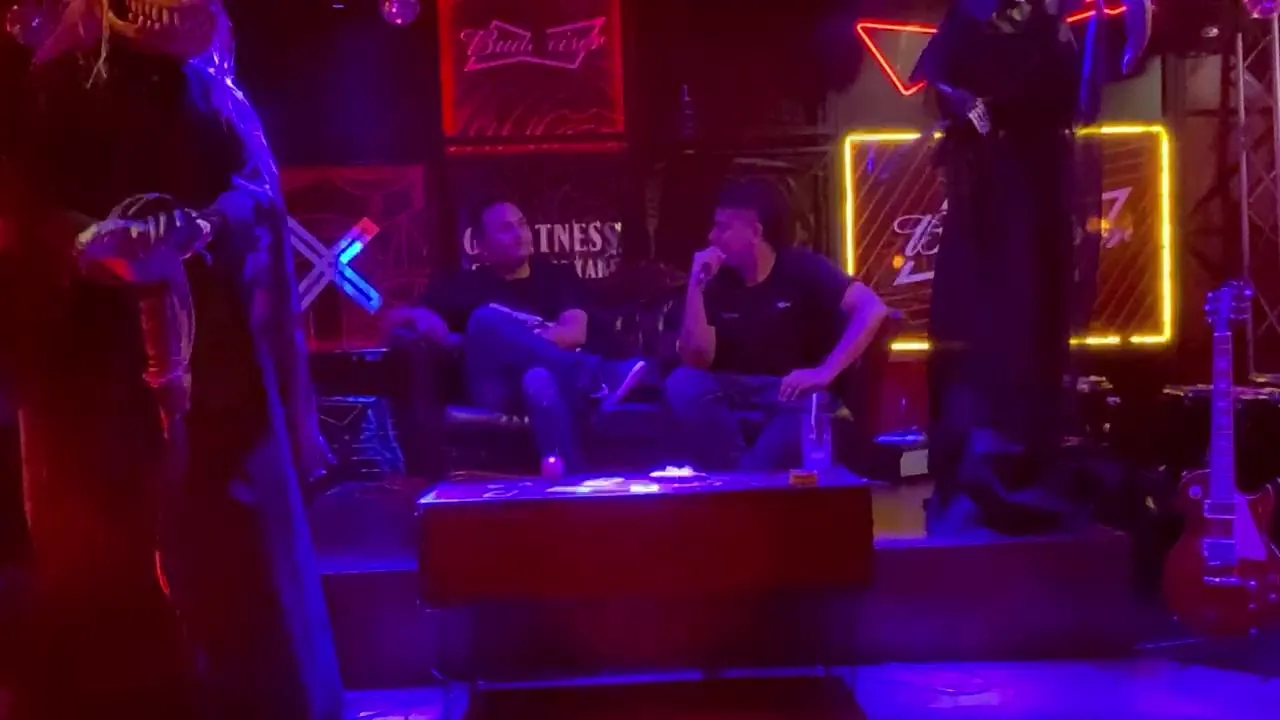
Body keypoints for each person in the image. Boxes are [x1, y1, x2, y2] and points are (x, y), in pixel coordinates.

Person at [6, 2, 341, 718]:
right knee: (108, 543)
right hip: (94, 366)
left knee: (227, 538)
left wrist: (205, 223)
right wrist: (86, 241)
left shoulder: (210, 95)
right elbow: (25, 207)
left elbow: (255, 197)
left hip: (213, 356)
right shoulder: (53, 90)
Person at [911, 0, 1149, 536]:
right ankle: (981, 468)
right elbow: (938, 79)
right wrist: (966, 106)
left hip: (1042, 185)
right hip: (990, 192)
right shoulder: (971, 18)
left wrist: (1131, 26)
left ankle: (1027, 461)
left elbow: (1086, 92)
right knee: (987, 318)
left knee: (1037, 315)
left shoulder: (1051, 26)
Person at [387, 199, 645, 474]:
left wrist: (511, 338)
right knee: (484, 320)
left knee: (537, 377)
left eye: (521, 225)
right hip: (493, 387)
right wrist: (418, 316)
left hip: (552, 377)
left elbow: (574, 334)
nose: (519, 234)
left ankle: (568, 479)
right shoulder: (462, 285)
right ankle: (596, 376)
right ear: (482, 246)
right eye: (505, 229)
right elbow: (392, 319)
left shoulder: (557, 276)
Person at [667, 179, 888, 471]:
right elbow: (697, 359)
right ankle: (742, 478)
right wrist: (696, 284)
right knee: (682, 381)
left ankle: (739, 481)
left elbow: (872, 308)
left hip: (790, 390)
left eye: (723, 228)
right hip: (730, 386)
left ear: (755, 232)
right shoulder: (716, 280)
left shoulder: (803, 268)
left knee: (811, 405)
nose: (711, 236)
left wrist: (825, 371)